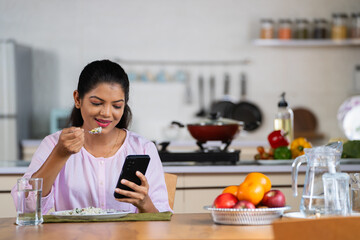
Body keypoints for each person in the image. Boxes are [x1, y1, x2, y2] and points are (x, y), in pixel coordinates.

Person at [11, 60, 172, 214]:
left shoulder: (143, 148)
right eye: (97, 103)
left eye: (117, 106)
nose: (107, 113)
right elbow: (27, 209)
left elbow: (162, 219)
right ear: (77, 99)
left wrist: (145, 203)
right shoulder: (53, 144)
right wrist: (59, 155)